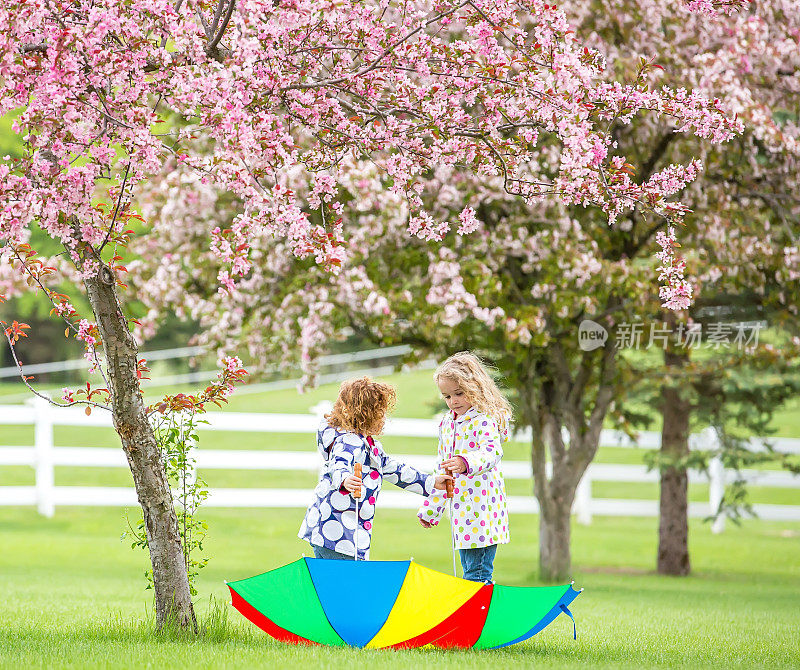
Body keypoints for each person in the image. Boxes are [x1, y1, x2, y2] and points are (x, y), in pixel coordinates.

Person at [299, 376, 452, 560]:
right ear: (368, 414)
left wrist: (431, 482)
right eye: (380, 412)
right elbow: (339, 464)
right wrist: (345, 479)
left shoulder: (367, 445)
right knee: (345, 584)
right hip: (338, 533)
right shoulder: (349, 441)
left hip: (333, 531)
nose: (384, 417)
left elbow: (394, 469)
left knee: (335, 583)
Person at [418, 351, 512, 583]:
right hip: (462, 516)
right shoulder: (448, 424)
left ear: (476, 387)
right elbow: (444, 472)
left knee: (477, 574)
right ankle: (477, 616)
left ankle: (479, 617)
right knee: (470, 571)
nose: (454, 401)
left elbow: (491, 452)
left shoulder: (484, 420)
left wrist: (465, 461)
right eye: (447, 396)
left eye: (459, 393)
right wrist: (432, 509)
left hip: (482, 514)